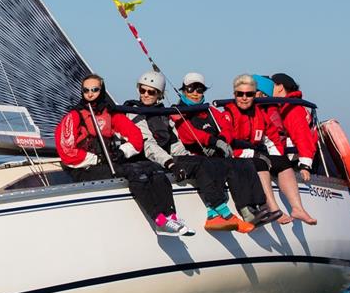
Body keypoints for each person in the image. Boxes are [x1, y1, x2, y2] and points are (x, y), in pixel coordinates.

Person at [56, 74, 194, 236]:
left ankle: (171, 216)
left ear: (102, 91)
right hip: (84, 168)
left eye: (95, 90)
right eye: (86, 90)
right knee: (135, 173)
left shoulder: (110, 114)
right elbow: (66, 152)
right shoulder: (74, 116)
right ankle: (159, 221)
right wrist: (96, 159)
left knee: (153, 168)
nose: (90, 94)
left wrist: (122, 152)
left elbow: (136, 137)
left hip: (107, 163)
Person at [123, 71, 241, 232]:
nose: (145, 95)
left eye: (151, 92)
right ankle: (223, 211)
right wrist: (171, 163)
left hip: (165, 158)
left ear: (159, 94)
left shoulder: (163, 113)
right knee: (194, 166)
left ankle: (214, 214)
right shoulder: (135, 112)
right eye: (142, 90)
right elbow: (148, 145)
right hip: (148, 161)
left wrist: (186, 157)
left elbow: (174, 142)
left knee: (204, 162)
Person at [171, 72, 277, 231]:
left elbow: (227, 128)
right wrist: (213, 141)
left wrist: (222, 139)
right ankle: (215, 213)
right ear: (184, 90)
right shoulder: (177, 112)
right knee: (216, 167)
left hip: (216, 152)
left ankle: (252, 209)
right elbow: (187, 134)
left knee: (244, 164)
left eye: (199, 89)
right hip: (194, 155)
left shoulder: (211, 111)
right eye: (191, 89)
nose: (195, 93)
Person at [224, 74, 316, 225]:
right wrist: (253, 153)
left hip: (256, 153)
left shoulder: (261, 114)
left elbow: (271, 137)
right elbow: (227, 141)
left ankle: (297, 208)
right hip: (236, 155)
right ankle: (273, 208)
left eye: (252, 93)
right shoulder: (230, 113)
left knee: (282, 162)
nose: (246, 98)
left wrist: (276, 156)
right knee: (260, 162)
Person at [271, 73, 319, 186]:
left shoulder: (292, 110)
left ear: (280, 87)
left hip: (296, 161)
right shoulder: (291, 106)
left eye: (272, 85)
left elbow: (303, 137)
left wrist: (305, 165)